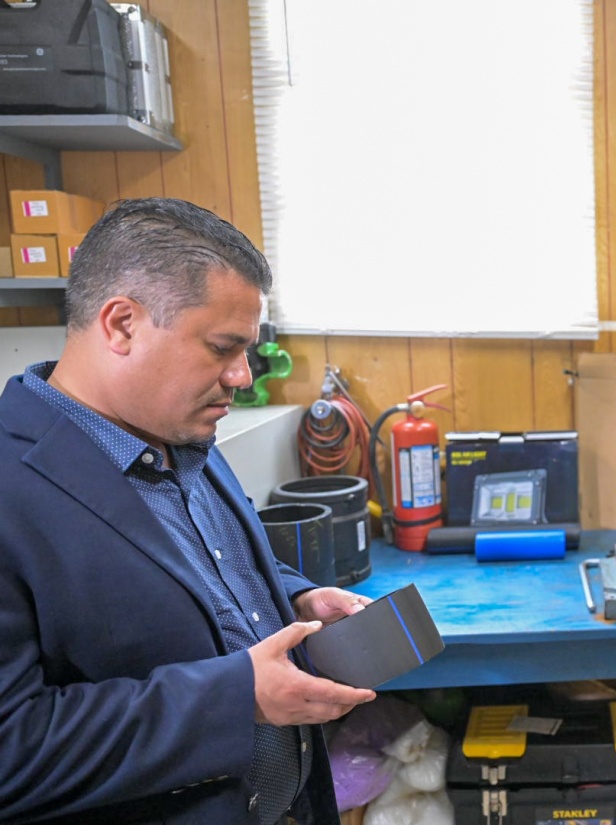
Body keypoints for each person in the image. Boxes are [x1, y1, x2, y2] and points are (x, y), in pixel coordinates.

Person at [0, 198, 377, 824]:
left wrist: (297, 597)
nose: (241, 377)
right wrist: (235, 698)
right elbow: (12, 751)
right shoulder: (13, 489)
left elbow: (198, 571)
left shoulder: (178, 429)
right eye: (222, 348)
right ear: (121, 324)